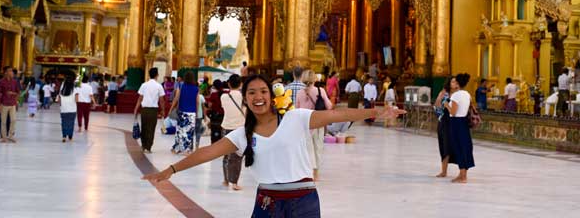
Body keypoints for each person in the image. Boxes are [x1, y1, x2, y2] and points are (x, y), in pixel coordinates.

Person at [143, 75, 405, 217]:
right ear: (245, 99)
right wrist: (170, 171)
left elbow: (338, 115)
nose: (258, 97)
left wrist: (377, 113)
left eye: (263, 92)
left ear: (272, 96)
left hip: (304, 201)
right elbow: (206, 153)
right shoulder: (242, 135)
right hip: (268, 203)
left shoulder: (296, 118)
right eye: (252, 93)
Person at [296, 70, 332, 181]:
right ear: (314, 79)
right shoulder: (320, 91)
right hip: (318, 122)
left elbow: (296, 109)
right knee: (318, 147)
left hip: (305, 124)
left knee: (307, 148)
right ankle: (316, 173)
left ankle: (308, 172)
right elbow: (329, 105)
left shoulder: (300, 93)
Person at [443, 73, 475, 183]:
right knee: (465, 147)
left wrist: (446, 104)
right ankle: (463, 174)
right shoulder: (467, 94)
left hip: (456, 122)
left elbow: (453, 111)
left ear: (457, 83)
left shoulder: (456, 95)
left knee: (458, 147)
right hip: (464, 122)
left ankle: (462, 176)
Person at [220, 74, 245, 190]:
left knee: (226, 155)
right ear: (240, 84)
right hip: (239, 128)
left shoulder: (224, 97)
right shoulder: (243, 97)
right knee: (237, 156)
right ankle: (234, 182)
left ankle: (226, 180)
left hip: (226, 126)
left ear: (229, 84)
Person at [133, 68, 165, 153]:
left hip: (144, 110)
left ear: (149, 75)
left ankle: (143, 146)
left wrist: (136, 108)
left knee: (144, 127)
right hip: (153, 110)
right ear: (157, 75)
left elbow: (140, 98)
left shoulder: (144, 85)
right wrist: (163, 110)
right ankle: (148, 147)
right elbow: (161, 100)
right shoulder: (159, 86)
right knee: (151, 128)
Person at [170, 70, 200, 154]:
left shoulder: (181, 86)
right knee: (189, 132)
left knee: (179, 130)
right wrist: (197, 112)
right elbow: (197, 102)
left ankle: (177, 149)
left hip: (182, 112)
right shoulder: (196, 88)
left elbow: (176, 99)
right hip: (191, 113)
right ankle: (187, 150)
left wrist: (171, 108)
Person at [434, 78, 457, 178]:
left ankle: (462, 171)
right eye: (452, 81)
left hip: (454, 122)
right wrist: (440, 97)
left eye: (456, 81)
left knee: (454, 146)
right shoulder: (444, 93)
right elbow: (437, 106)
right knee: (444, 146)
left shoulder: (459, 94)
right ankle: (444, 171)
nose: (454, 83)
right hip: (444, 122)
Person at [0, 66, 20, 143]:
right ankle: (4, 137)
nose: (12, 72)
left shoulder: (15, 82)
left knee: (13, 120)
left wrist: (15, 98)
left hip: (12, 103)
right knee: (3, 121)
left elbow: (18, 92)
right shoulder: (1, 82)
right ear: (5, 72)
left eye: (12, 71)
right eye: (10, 71)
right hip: (4, 104)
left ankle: (11, 136)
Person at [58, 76, 79, 142]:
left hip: (64, 109)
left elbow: (59, 100)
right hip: (72, 109)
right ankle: (70, 137)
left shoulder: (61, 91)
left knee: (64, 122)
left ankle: (64, 137)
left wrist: (62, 105)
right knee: (71, 123)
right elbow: (77, 100)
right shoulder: (75, 89)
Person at [207, 79, 226, 144]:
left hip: (215, 117)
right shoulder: (226, 94)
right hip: (224, 116)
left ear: (214, 86)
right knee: (223, 133)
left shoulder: (213, 95)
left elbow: (209, 106)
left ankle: (214, 148)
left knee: (215, 134)